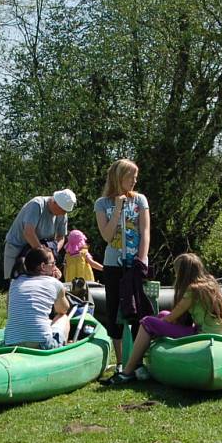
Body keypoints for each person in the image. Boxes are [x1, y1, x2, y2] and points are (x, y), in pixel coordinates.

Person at [102, 253, 222, 384]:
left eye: (176, 272)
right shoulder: (210, 284)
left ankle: (127, 372)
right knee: (163, 314)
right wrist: (160, 322)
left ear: (182, 272)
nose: (175, 275)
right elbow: (173, 317)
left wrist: (154, 327)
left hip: (203, 337)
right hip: (212, 333)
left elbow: (172, 318)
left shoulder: (193, 290)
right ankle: (143, 359)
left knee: (147, 322)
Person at [94, 158, 150, 369]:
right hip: (113, 264)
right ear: (119, 178)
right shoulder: (102, 204)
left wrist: (141, 260)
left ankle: (138, 360)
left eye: (136, 177)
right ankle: (119, 361)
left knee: (138, 309)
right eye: (131, 177)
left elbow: (145, 232)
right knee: (114, 308)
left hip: (135, 262)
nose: (135, 181)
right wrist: (117, 209)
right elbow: (107, 236)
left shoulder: (140, 200)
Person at [4, 246, 71, 349]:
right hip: (42, 344)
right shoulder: (54, 283)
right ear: (43, 266)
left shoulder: (14, 282)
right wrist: (58, 285)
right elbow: (63, 309)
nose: (55, 268)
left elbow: (9, 312)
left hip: (11, 342)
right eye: (53, 264)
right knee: (63, 317)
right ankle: (60, 352)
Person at [3, 189, 76, 281]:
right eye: (62, 210)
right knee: (15, 280)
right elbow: (28, 233)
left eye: (65, 212)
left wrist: (52, 253)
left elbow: (61, 237)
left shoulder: (62, 213)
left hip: (41, 251)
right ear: (54, 202)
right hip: (18, 246)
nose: (63, 214)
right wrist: (44, 255)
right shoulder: (37, 205)